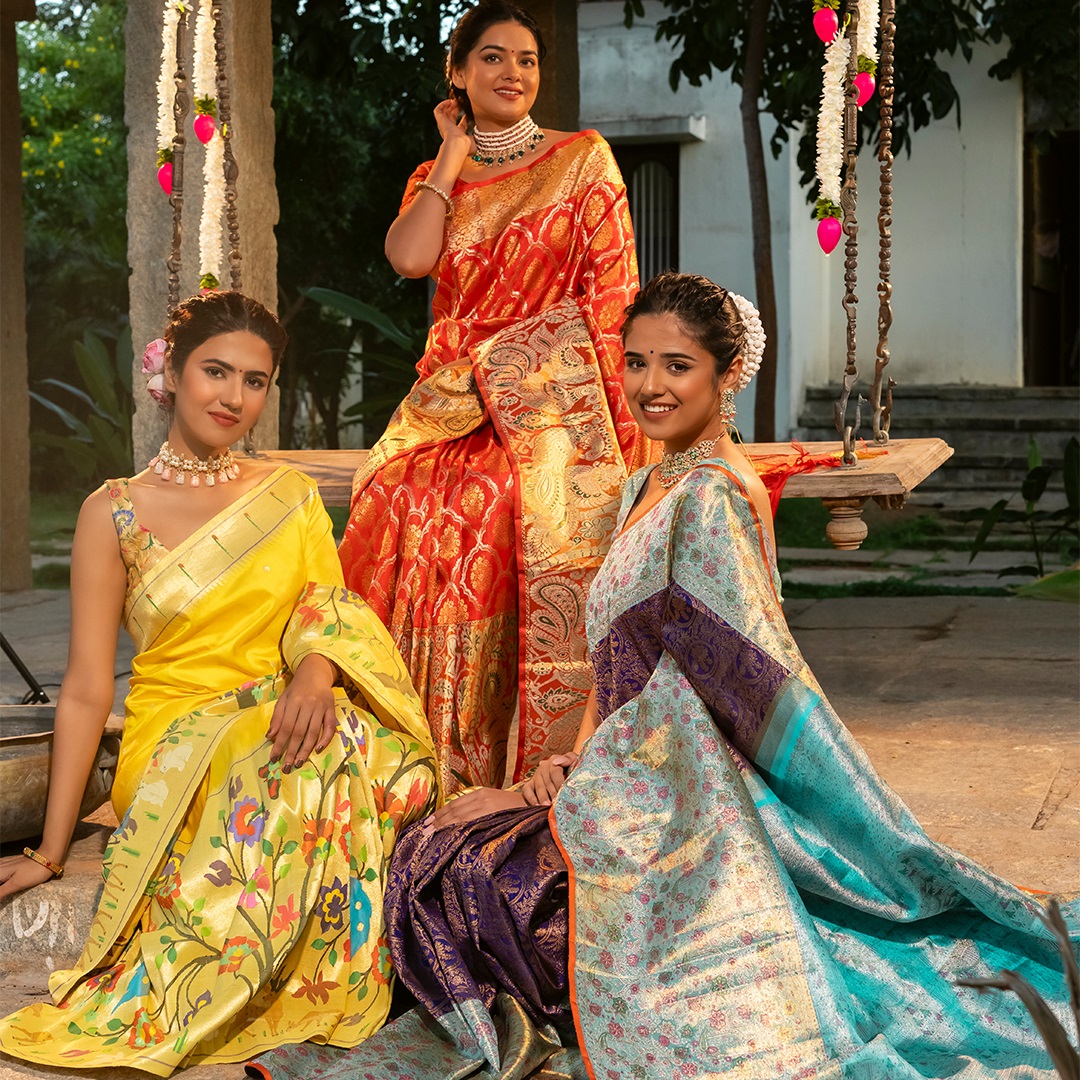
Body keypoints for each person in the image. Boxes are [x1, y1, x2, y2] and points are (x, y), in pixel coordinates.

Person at [256, 273, 1078, 1080]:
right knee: (447, 851)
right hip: (624, 771)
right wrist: (560, 768)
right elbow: (617, 664)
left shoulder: (713, 498)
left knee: (473, 877)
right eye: (637, 362)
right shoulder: (649, 484)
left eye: (677, 366)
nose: (650, 386)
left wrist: (582, 790)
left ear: (726, 375)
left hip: (685, 794)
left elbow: (742, 682)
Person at [0, 291, 437, 1075]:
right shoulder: (114, 512)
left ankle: (308, 983)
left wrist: (314, 677)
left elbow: (326, 610)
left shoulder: (287, 494)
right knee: (283, 764)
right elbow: (87, 690)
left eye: (254, 380)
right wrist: (51, 850)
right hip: (177, 744)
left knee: (376, 757)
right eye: (215, 371)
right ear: (170, 371)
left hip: (284, 711)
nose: (233, 396)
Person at [337, 0, 654, 800]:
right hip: (453, 396)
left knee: (495, 500)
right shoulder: (434, 177)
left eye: (526, 60)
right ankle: (416, 750)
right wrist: (450, 157)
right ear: (458, 72)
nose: (513, 72)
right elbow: (410, 260)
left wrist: (533, 371)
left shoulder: (583, 158)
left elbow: (613, 293)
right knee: (397, 494)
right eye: (492, 57)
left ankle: (531, 761)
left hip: (555, 393)